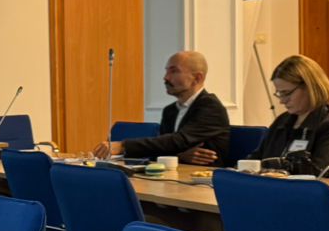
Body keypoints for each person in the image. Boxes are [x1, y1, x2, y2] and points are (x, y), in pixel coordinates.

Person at [94, 51, 230, 165]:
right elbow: (162, 149)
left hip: (206, 182)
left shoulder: (211, 108)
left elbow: (179, 140)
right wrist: (180, 156)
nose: (166, 78)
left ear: (197, 78)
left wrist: (123, 146)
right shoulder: (170, 111)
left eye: (174, 71)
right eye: (166, 71)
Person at [254, 54, 329, 173]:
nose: (282, 101)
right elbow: (257, 159)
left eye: (287, 93)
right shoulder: (281, 122)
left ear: (309, 87)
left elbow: (322, 173)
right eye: (279, 94)